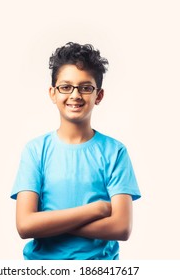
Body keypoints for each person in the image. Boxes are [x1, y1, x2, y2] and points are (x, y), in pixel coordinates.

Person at [10, 42, 141, 260]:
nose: (75, 95)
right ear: (53, 93)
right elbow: (25, 225)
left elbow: (121, 228)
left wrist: (48, 222)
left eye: (85, 87)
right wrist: (96, 210)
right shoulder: (36, 151)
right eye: (66, 86)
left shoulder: (115, 152)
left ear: (98, 95)